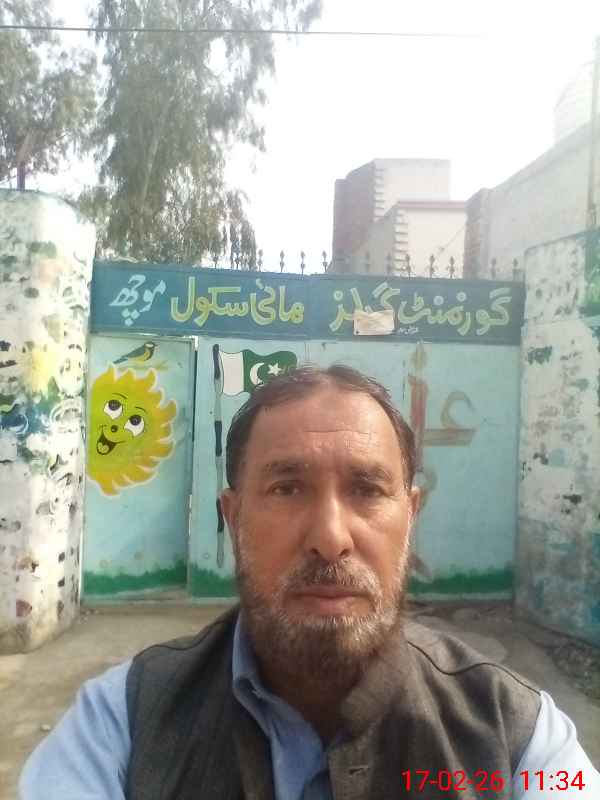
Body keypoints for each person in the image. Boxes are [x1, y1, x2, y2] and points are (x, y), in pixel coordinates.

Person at [20, 364, 600, 799]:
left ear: (411, 516)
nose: (330, 537)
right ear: (232, 518)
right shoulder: (120, 724)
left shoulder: (519, 736)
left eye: (367, 489)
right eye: (287, 488)